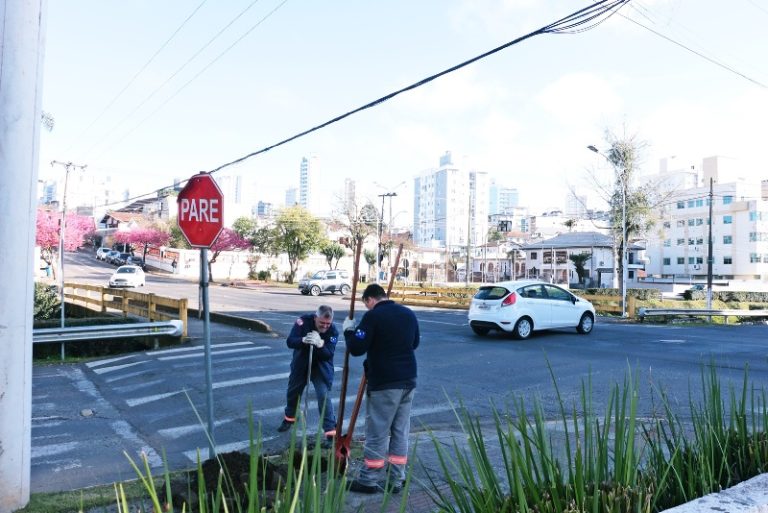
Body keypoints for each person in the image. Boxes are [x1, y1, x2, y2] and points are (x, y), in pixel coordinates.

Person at [342, 283, 420, 494]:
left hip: (385, 383)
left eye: (366, 304)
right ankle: (396, 480)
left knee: (377, 432)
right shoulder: (408, 314)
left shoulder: (373, 316)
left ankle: (369, 480)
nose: (367, 308)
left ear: (369, 299)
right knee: (400, 432)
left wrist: (349, 330)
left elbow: (357, 348)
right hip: (408, 380)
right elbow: (414, 343)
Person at [278, 305, 339, 443]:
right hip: (301, 363)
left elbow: (328, 354)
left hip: (321, 367)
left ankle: (330, 430)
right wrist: (303, 340)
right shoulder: (303, 322)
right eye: (321, 323)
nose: (325, 326)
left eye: (327, 324)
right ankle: (289, 418)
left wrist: (320, 344)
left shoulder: (333, 331)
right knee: (293, 392)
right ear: (315, 317)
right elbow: (290, 341)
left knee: (324, 395)